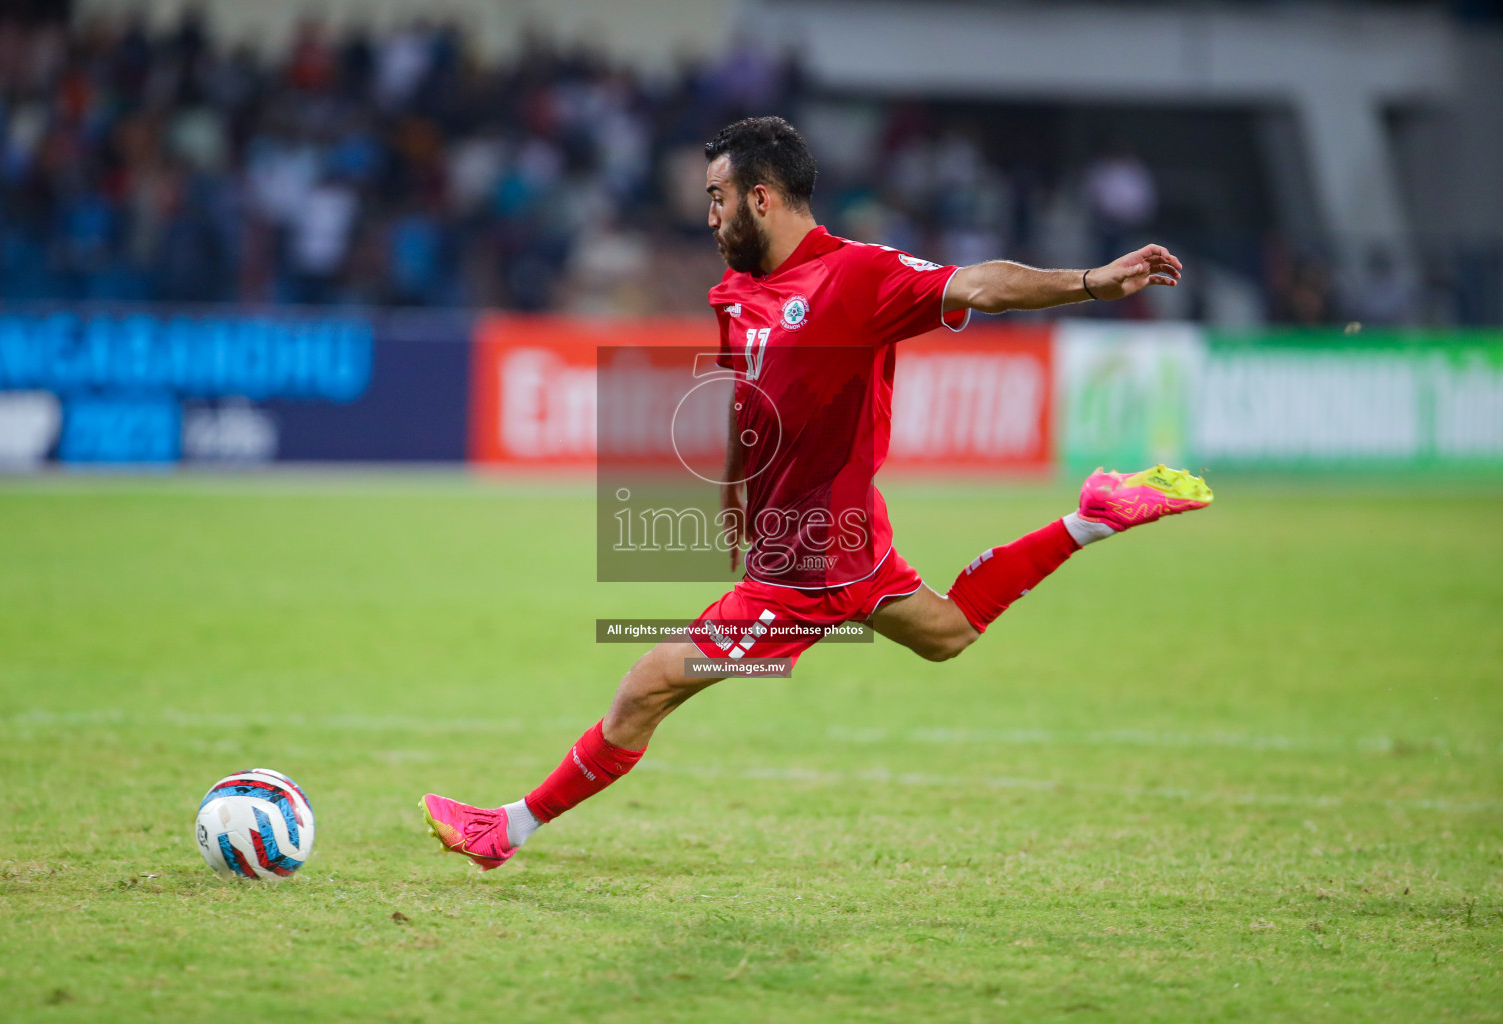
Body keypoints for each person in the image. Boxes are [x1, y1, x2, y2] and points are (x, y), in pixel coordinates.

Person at [420, 117, 1211, 869]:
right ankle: (1091, 519)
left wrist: (1091, 282)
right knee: (947, 632)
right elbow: (746, 397)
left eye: (717, 197)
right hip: (843, 536)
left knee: (648, 685)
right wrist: (736, 494)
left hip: (810, 562)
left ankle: (507, 830)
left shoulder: (859, 276)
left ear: (761, 197)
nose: (709, 215)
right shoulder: (736, 288)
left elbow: (982, 286)